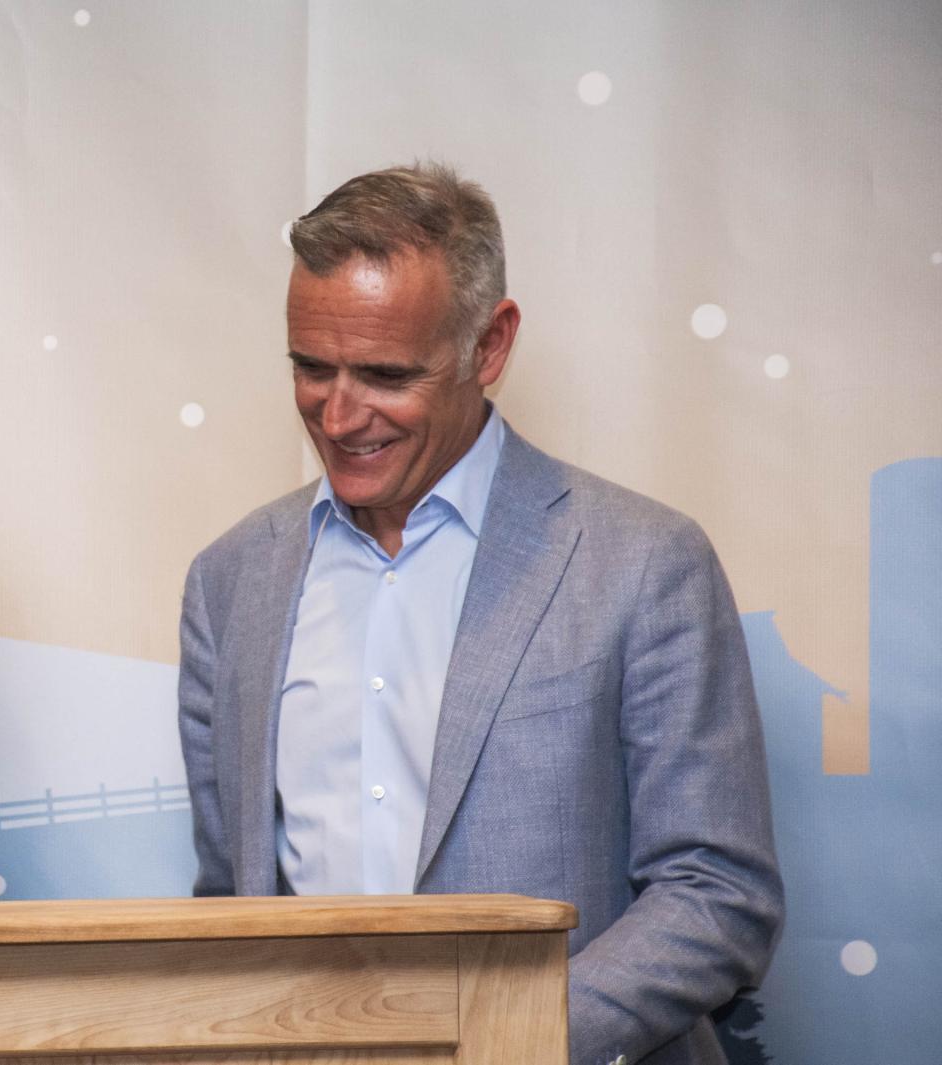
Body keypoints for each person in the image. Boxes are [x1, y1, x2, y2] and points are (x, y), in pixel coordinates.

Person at [177, 164, 783, 1065]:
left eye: (385, 373)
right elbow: (231, 899)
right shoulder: (228, 583)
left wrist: (508, 1042)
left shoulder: (646, 562)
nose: (338, 414)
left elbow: (716, 892)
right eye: (311, 367)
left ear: (489, 346)